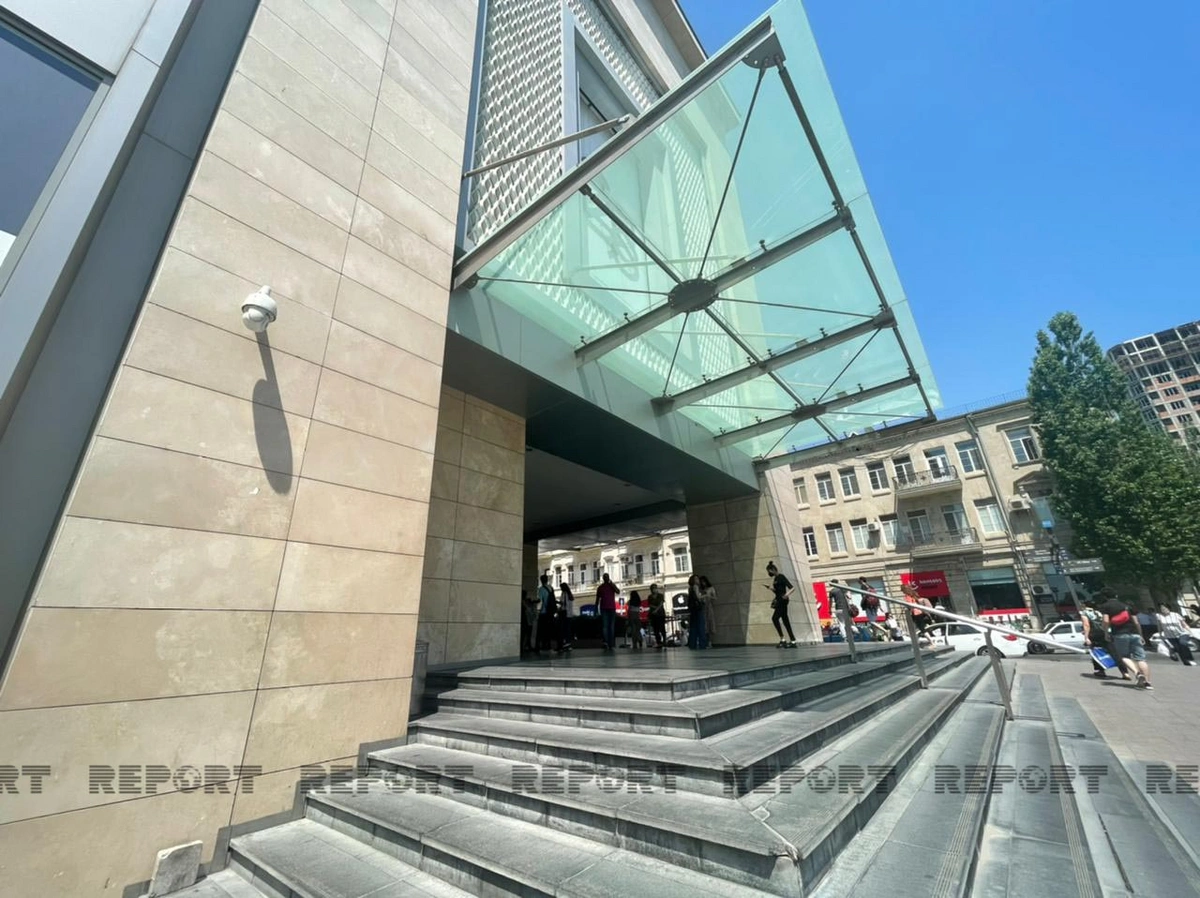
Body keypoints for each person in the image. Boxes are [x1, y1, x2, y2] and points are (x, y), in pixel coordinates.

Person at [1101, 590, 1153, 689]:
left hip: (1119, 634)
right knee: (1141, 659)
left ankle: (1137, 673)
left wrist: (1106, 633)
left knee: (1124, 656)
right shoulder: (1127, 605)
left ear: (1105, 597)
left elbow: (1106, 621)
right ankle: (1148, 683)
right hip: (1134, 633)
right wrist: (1140, 635)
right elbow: (1136, 622)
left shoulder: (1105, 606)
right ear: (1116, 595)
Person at [1081, 598, 1122, 678]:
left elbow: (1086, 625)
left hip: (1095, 634)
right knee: (1113, 651)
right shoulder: (1100, 611)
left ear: (1085, 605)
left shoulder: (1085, 612)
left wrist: (1086, 637)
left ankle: (1100, 670)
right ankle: (1124, 671)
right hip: (1106, 632)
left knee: (1096, 651)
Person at [764, 561, 796, 647]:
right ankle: (792, 641)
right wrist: (769, 588)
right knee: (785, 620)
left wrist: (786, 595)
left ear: (773, 569)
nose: (769, 573)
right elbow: (777, 591)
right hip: (778, 600)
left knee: (775, 618)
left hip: (782, 601)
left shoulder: (781, 577)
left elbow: (792, 587)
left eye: (769, 571)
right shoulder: (775, 579)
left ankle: (783, 639)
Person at [596, 573, 620, 652]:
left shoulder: (603, 587)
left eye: (607, 577)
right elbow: (618, 591)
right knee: (609, 626)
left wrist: (595, 608)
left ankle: (607, 642)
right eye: (606, 577)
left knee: (606, 626)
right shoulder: (605, 587)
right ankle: (609, 643)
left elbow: (597, 599)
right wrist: (596, 608)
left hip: (606, 608)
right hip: (609, 608)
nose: (606, 578)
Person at [537, 574, 557, 653]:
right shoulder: (551, 588)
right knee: (549, 629)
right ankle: (548, 645)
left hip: (544, 612)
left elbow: (540, 601)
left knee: (542, 630)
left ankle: (543, 645)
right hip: (550, 612)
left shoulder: (541, 589)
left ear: (541, 580)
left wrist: (538, 610)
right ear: (547, 580)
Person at [647, 583, 667, 649]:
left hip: (660, 614)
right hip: (654, 615)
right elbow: (650, 604)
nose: (654, 590)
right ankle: (659, 642)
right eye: (653, 589)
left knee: (662, 627)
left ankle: (664, 640)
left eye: (655, 588)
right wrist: (655, 609)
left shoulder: (660, 595)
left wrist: (656, 609)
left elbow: (661, 603)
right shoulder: (650, 597)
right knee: (656, 629)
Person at [557, 582, 575, 654]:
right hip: (569, 614)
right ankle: (568, 644)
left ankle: (565, 644)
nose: (560, 589)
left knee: (564, 629)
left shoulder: (564, 593)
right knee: (568, 629)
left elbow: (563, 604)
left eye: (561, 587)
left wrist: (557, 602)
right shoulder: (570, 594)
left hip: (565, 613)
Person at [700, 575, 717, 647]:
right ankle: (705, 641)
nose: (703, 583)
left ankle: (710, 641)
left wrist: (708, 596)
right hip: (703, 608)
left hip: (709, 607)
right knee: (704, 624)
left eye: (704, 582)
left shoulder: (711, 588)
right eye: (702, 582)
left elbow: (715, 597)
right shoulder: (701, 590)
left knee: (710, 623)